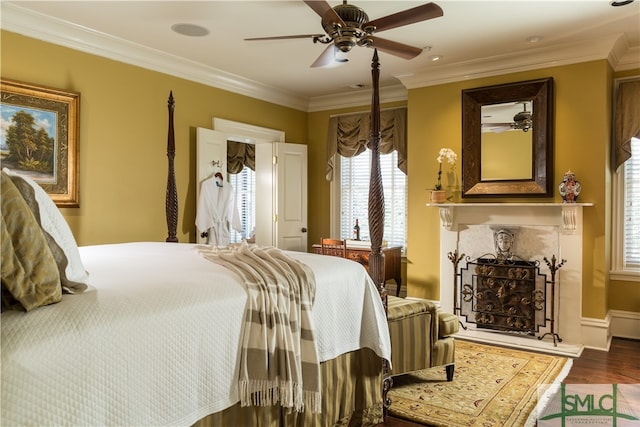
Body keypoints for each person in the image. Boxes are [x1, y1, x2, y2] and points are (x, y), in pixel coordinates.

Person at [196, 172, 242, 246]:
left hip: (222, 227)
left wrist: (237, 225)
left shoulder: (229, 187)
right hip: (213, 227)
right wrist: (204, 226)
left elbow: (233, 208)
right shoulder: (206, 185)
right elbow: (202, 205)